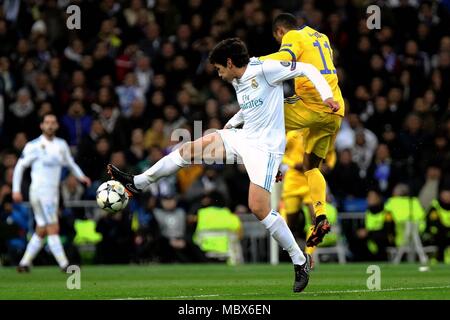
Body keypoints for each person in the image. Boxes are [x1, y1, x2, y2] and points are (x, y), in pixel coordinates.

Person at [108, 38, 338, 292]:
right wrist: (230, 125)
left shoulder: (264, 68)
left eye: (219, 68)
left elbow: (307, 68)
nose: (218, 74)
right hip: (244, 137)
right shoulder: (239, 79)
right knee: (189, 149)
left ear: (229, 62)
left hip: (266, 149)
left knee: (258, 208)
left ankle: (299, 259)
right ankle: (137, 183)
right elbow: (252, 107)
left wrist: (327, 96)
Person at [259, 13, 345, 248]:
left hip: (313, 106)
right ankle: (320, 216)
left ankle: (272, 168)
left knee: (269, 117)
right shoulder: (321, 36)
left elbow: (285, 56)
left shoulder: (292, 36)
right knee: (312, 167)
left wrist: (253, 62)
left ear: (280, 32)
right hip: (335, 110)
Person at [12, 113, 91, 272]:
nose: (50, 125)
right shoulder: (33, 145)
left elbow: (70, 163)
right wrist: (16, 190)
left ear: (57, 126)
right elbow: (20, 167)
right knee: (53, 228)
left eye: (53, 122)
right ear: (41, 126)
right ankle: (64, 265)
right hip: (41, 192)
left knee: (41, 229)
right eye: (46, 122)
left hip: (52, 193)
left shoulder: (61, 145)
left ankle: (24, 263)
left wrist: (81, 176)